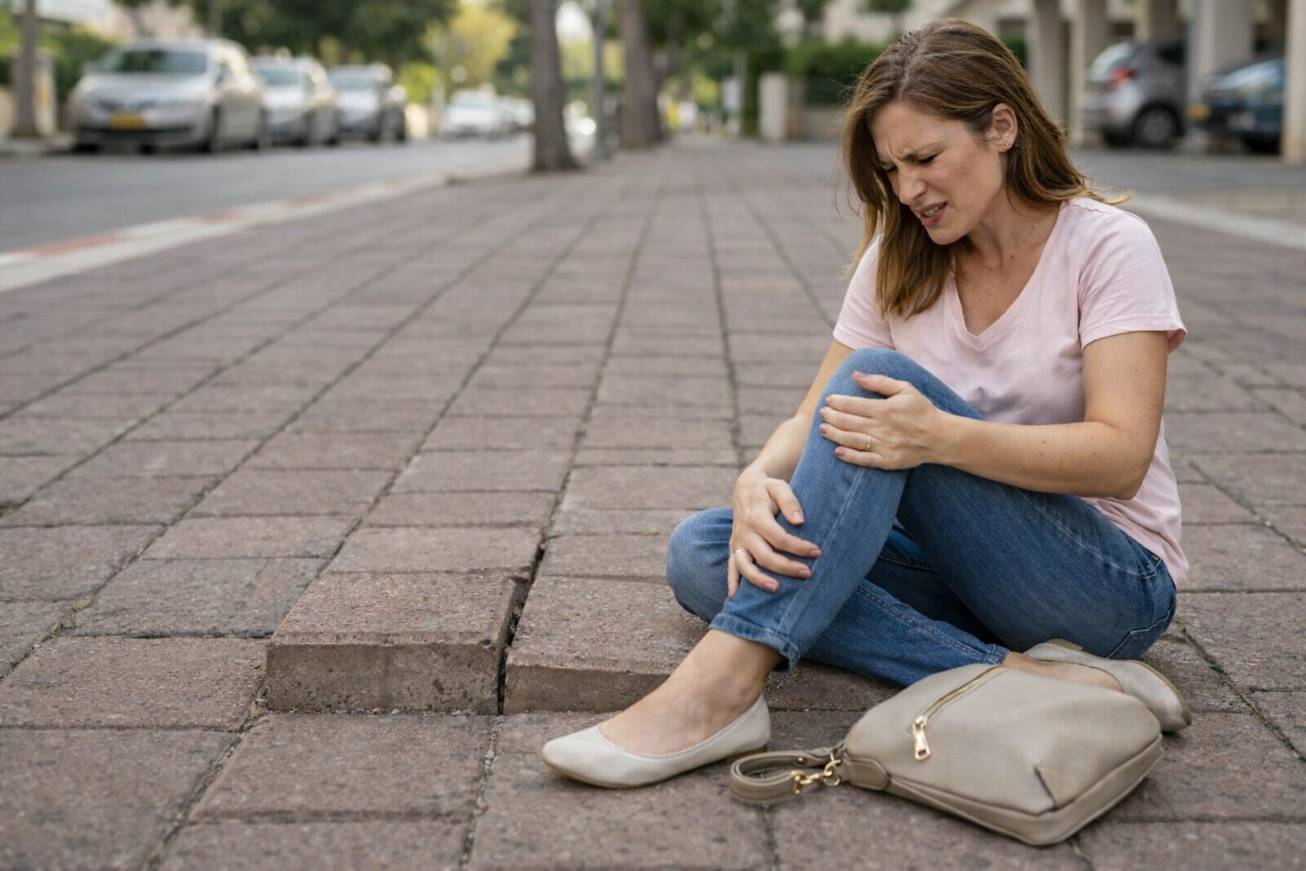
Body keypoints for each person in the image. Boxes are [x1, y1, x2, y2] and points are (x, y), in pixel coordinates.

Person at [542, 18, 1190, 789]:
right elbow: (812, 413)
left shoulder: (1108, 246)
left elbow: (1120, 457)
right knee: (707, 549)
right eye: (890, 168)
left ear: (1002, 127)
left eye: (925, 158)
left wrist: (939, 437)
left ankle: (721, 687)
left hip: (1104, 584)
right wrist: (754, 480)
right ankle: (1015, 671)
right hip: (965, 575)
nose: (908, 189)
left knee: (878, 384)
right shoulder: (899, 258)